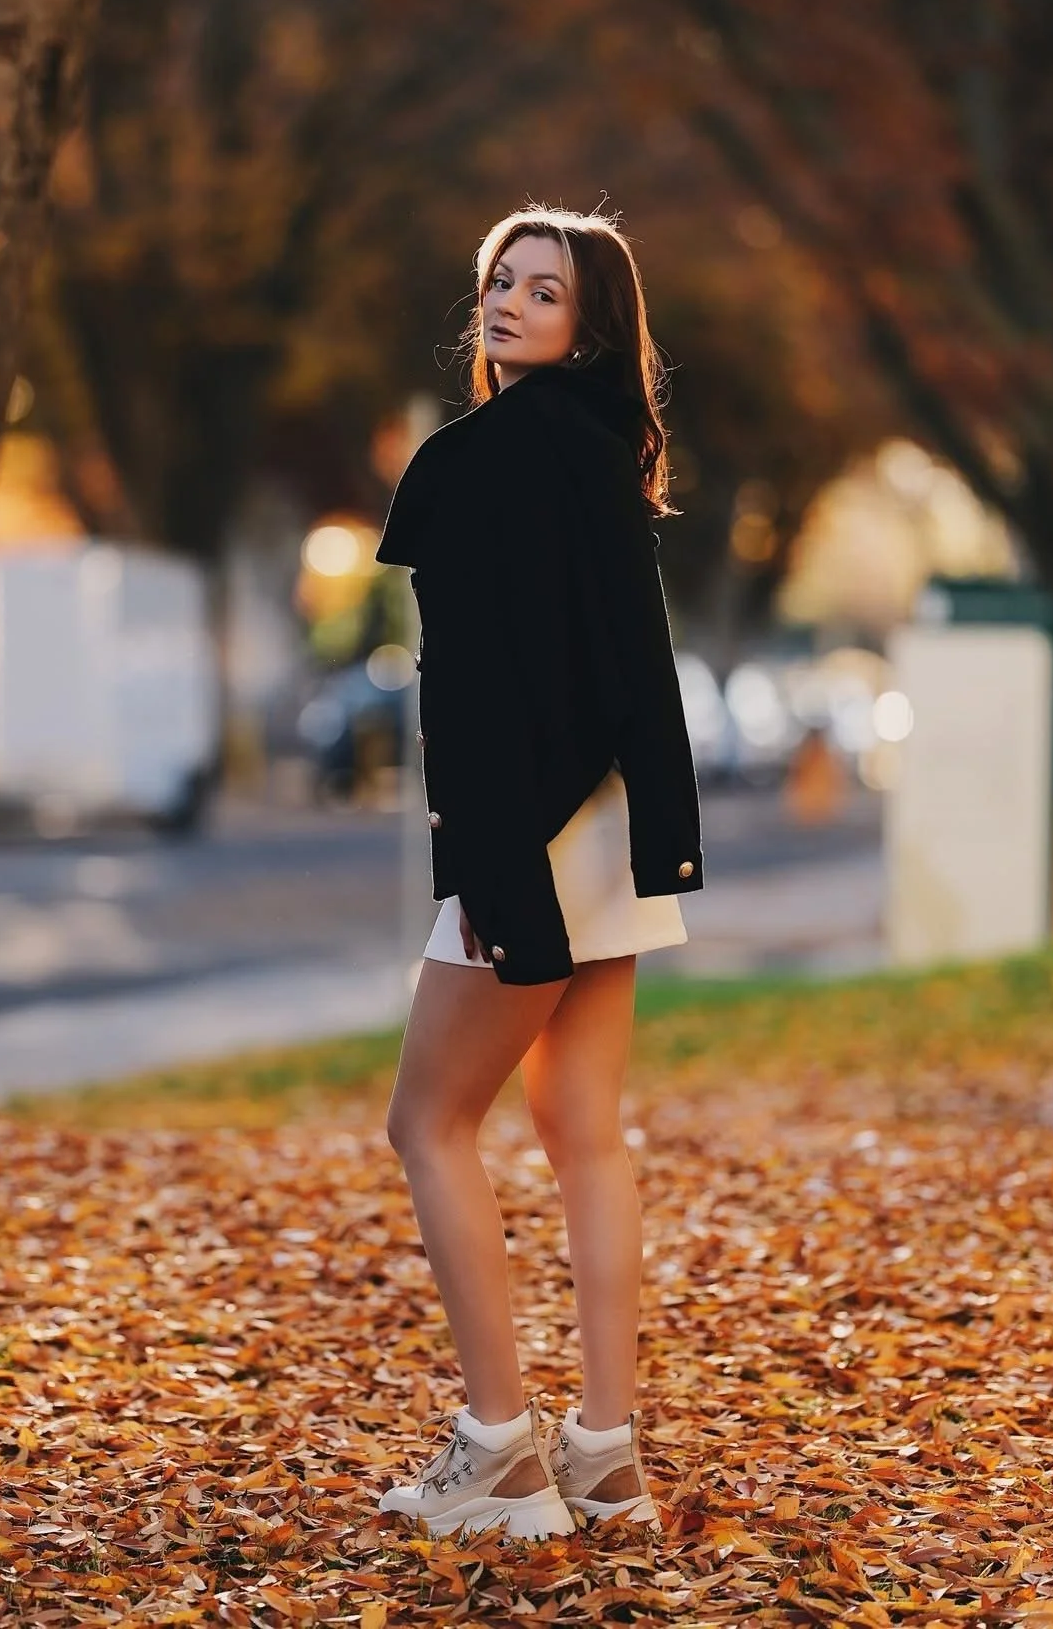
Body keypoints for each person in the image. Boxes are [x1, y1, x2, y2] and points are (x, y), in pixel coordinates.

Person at [371, 206, 703, 1541]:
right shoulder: (607, 456)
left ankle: (502, 1447)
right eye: (499, 281)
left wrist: (490, 873)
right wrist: (665, 836)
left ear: (591, 323)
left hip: (532, 833)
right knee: (584, 1132)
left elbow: (475, 697)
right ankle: (606, 1450)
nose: (506, 302)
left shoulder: (475, 461)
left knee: (428, 1122)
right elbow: (640, 667)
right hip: (612, 832)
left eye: (543, 289)